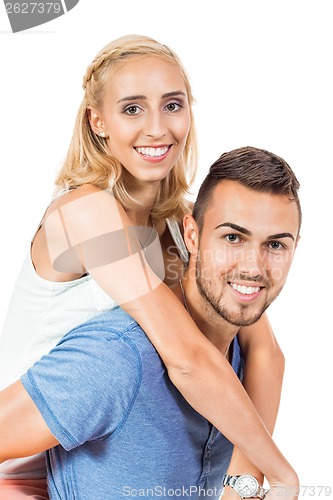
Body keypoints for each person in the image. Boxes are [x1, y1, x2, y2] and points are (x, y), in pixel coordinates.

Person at [0, 34, 287, 497]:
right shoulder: (84, 212)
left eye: (172, 106)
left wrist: (243, 481)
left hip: (117, 468)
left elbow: (264, 352)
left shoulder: (181, 225)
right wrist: (282, 473)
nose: (157, 128)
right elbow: (187, 357)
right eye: (132, 109)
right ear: (98, 121)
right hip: (22, 474)